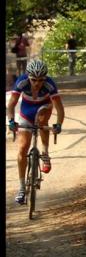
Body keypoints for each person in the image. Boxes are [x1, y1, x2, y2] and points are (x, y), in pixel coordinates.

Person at [6, 58, 64, 205]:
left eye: (40, 80)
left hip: (44, 108)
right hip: (26, 111)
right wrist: (11, 121)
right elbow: (11, 104)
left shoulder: (50, 84)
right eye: (33, 80)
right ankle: (21, 188)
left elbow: (59, 108)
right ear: (28, 77)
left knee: (42, 121)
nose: (37, 83)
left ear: (45, 78)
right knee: (22, 148)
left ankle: (45, 153)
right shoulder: (22, 81)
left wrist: (58, 124)